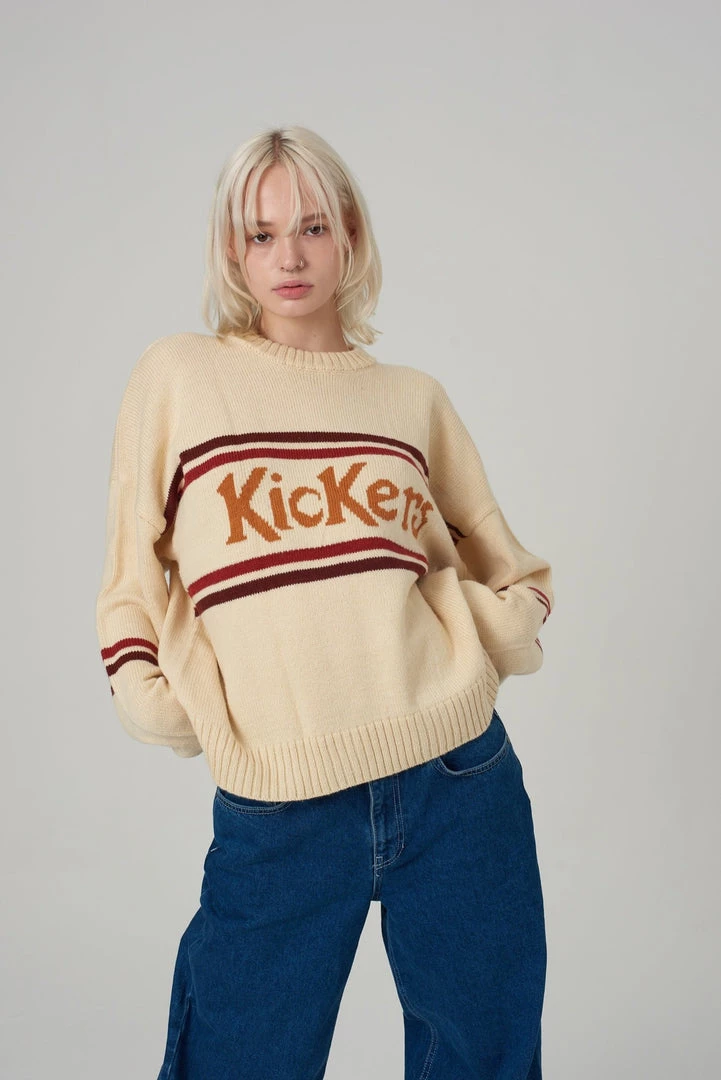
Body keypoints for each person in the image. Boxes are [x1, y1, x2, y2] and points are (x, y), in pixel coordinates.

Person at [95, 125, 555, 1080]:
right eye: (260, 234)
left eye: (311, 227)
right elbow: (131, 569)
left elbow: (510, 566)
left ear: (349, 234)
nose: (289, 257)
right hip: (280, 796)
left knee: (485, 1062)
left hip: (454, 776)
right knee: (235, 1058)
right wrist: (151, 687)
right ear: (232, 250)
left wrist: (488, 626)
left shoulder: (411, 399)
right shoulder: (180, 377)